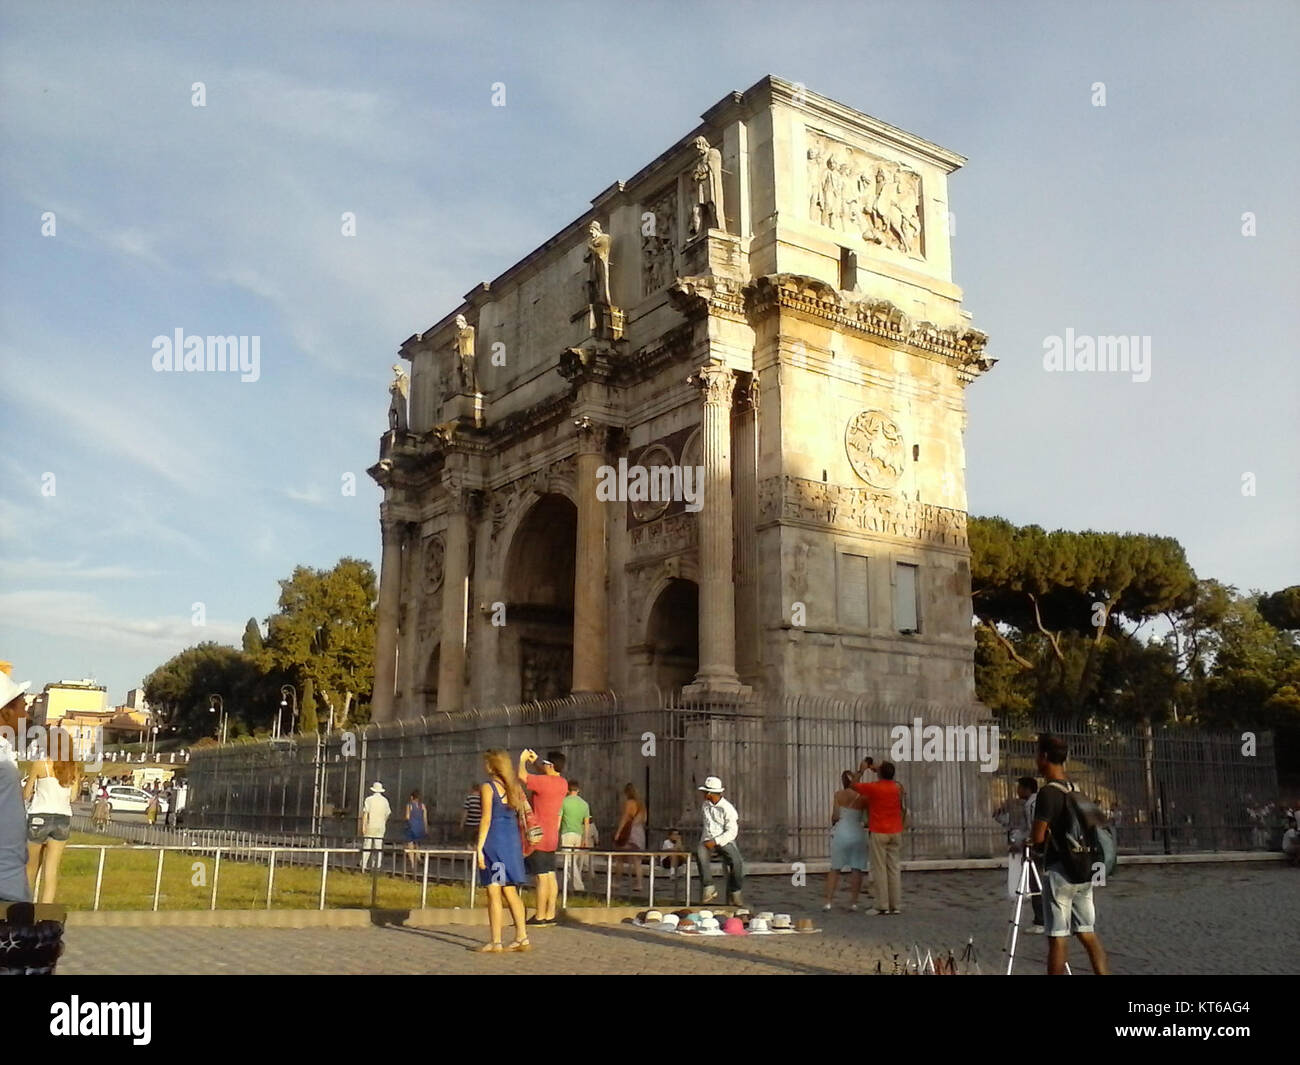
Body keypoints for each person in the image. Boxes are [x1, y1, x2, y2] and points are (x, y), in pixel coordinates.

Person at [1031, 734, 1110, 975]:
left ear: (1044, 757)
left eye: (1037, 754)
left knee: (1058, 937)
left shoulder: (1047, 793)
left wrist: (1031, 844)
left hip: (1060, 871)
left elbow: (1038, 837)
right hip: (1083, 868)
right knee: (1087, 932)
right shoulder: (1075, 788)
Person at [474, 748, 530, 953]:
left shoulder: (488, 787)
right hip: (511, 843)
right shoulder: (513, 787)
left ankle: (496, 940)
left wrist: (479, 848)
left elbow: (486, 818)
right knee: (510, 890)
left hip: (495, 844)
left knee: (494, 890)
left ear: (492, 765)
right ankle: (522, 936)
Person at [24, 728, 80, 903]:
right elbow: (73, 797)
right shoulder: (73, 768)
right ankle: (45, 915)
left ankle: (24, 911)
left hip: (39, 816)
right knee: (51, 871)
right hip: (62, 818)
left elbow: (26, 794)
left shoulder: (41, 764)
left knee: (30, 868)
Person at [518, 749, 567, 926]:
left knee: (540, 877)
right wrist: (537, 761)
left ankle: (539, 915)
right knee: (550, 875)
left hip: (537, 835)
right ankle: (550, 913)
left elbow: (522, 776)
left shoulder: (543, 782)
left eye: (545, 763)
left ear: (551, 765)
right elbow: (546, 776)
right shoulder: (563, 783)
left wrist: (523, 760)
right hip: (552, 835)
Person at [853, 760, 905, 915]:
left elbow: (853, 785)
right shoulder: (898, 787)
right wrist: (881, 770)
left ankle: (881, 904)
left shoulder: (874, 788)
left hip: (879, 831)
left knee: (879, 869)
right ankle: (895, 905)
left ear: (880, 773)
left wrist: (862, 770)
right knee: (894, 868)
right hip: (895, 830)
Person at [995, 776, 1044, 933]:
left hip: (1036, 850)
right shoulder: (1033, 803)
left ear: (1027, 789)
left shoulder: (1031, 804)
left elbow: (1032, 829)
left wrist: (1022, 843)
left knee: (1036, 884)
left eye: (1020, 787)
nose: (1017, 791)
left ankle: (1040, 921)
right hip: (1038, 848)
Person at [0, 670, 33, 906]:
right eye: (23, 706)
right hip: (5, 887)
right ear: (5, 711)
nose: (27, 714)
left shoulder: (5, 755)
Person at [825, 770, 869, 911]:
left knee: (835, 868)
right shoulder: (863, 798)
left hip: (841, 832)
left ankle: (828, 902)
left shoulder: (838, 794)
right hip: (857, 832)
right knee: (856, 869)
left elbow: (835, 816)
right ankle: (853, 902)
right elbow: (866, 820)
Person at [696, 775, 743, 906]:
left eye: (705, 792)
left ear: (710, 793)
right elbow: (708, 826)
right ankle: (709, 887)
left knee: (737, 862)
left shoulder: (728, 809)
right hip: (708, 839)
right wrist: (708, 841)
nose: (703, 794)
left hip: (724, 840)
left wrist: (716, 841)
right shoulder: (705, 806)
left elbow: (732, 832)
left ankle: (735, 891)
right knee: (700, 855)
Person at [613, 782, 648, 891]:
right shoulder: (641, 805)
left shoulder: (629, 803)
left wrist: (618, 833)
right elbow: (644, 819)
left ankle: (617, 882)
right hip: (639, 832)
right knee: (637, 860)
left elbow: (625, 818)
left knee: (620, 858)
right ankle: (639, 884)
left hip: (630, 832)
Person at [558, 779, 591, 892]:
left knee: (568, 861)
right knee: (572, 861)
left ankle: (578, 886)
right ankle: (566, 885)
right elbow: (586, 823)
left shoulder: (564, 802)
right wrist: (585, 838)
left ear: (567, 790)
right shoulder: (584, 804)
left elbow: (559, 819)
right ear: (578, 790)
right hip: (578, 834)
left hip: (567, 833)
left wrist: (556, 834)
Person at [359, 782, 390, 872]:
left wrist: (363, 826)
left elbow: (365, 814)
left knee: (367, 845)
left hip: (370, 825)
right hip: (380, 826)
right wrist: (383, 822)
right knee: (378, 846)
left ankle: (363, 866)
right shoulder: (385, 801)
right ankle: (376, 866)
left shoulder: (369, 800)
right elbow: (387, 814)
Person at [404, 789, 427, 873]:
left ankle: (413, 865)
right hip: (420, 827)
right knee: (417, 844)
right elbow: (425, 818)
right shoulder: (422, 806)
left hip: (411, 827)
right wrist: (426, 828)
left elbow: (407, 816)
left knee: (410, 845)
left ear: (411, 797)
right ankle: (419, 857)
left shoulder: (409, 805)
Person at [459, 781, 482, 847]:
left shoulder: (469, 798)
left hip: (469, 823)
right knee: (476, 842)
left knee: (468, 841)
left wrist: (462, 823)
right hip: (478, 824)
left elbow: (465, 812)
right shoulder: (481, 799)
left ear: (472, 789)